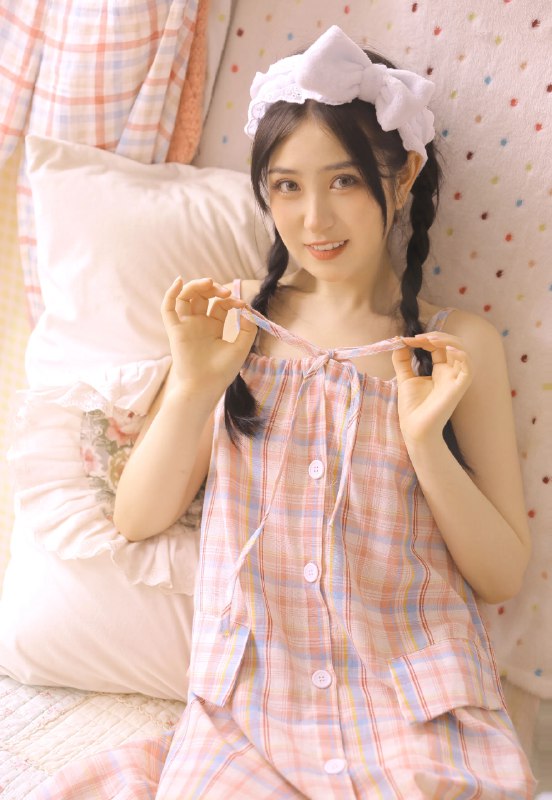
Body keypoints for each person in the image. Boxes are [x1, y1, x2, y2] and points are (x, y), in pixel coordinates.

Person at [31, 25, 536, 800]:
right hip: (249, 714)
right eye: (287, 187)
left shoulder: (455, 343)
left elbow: (501, 574)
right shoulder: (232, 323)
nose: (314, 219)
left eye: (345, 181)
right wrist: (194, 385)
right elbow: (138, 516)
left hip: (420, 709)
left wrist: (426, 444)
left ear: (403, 176)